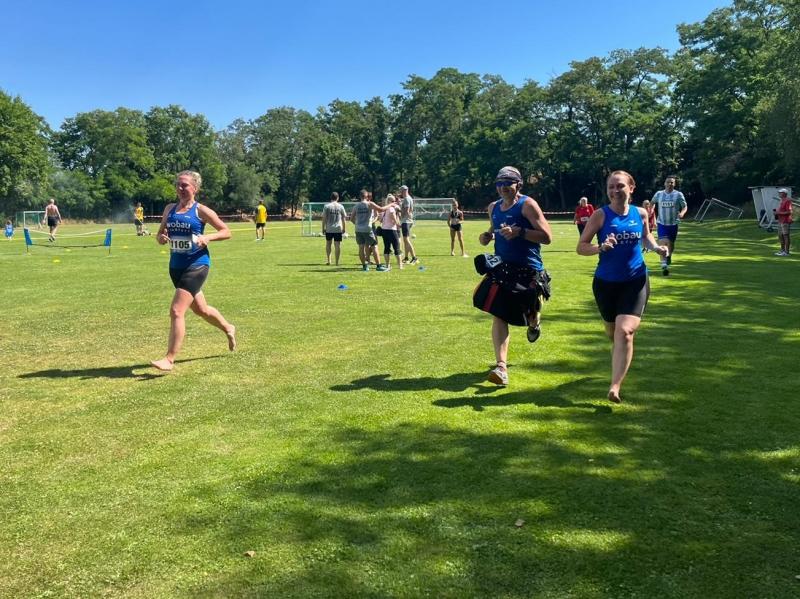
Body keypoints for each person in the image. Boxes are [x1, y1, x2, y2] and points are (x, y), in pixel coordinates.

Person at [578, 170, 670, 403]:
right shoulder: (600, 215)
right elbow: (581, 246)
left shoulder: (640, 213)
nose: (615, 191)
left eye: (619, 186)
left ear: (631, 188)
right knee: (613, 332)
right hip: (605, 283)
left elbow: (645, 236)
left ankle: (615, 387)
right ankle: (619, 350)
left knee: (625, 332)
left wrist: (656, 248)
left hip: (635, 280)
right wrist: (600, 248)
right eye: (611, 187)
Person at [151, 170, 236, 372]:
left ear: (195, 188)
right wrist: (161, 238)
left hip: (197, 264)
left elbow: (226, 231)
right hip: (176, 266)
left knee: (176, 310)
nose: (180, 188)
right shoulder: (169, 209)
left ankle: (169, 359)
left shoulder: (201, 211)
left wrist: (207, 238)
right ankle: (228, 327)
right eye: (178, 185)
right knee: (201, 310)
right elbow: (160, 234)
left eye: (185, 185)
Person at [478, 166, 553, 386]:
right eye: (499, 184)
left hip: (528, 270)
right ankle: (501, 367)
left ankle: (534, 322)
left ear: (518, 184)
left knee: (530, 314)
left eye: (508, 183)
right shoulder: (493, 207)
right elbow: (494, 228)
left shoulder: (527, 205)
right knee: (499, 314)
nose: (503, 188)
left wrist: (520, 232)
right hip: (503, 270)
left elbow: (547, 237)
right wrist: (487, 236)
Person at [651, 176, 687, 275]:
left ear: (674, 184)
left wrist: (682, 213)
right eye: (668, 182)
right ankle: (664, 265)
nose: (669, 184)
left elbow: (684, 206)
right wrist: (651, 211)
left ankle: (669, 255)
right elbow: (652, 203)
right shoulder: (659, 194)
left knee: (670, 244)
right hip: (662, 223)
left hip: (673, 224)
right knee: (663, 243)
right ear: (664, 183)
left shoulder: (678, 194)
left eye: (672, 182)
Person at [350, 189, 388, 271]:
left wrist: (357, 224)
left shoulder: (356, 206)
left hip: (358, 229)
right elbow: (381, 209)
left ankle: (365, 266)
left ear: (360, 196)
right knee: (374, 246)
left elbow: (351, 218)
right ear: (367, 196)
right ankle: (378, 266)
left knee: (361, 247)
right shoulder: (370, 204)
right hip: (367, 229)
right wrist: (391, 204)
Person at [322, 192, 347, 265]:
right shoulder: (341, 206)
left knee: (328, 244)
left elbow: (324, 218)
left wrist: (323, 228)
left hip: (329, 228)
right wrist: (344, 228)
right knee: (337, 245)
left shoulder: (327, 206)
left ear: (331, 198)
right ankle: (337, 262)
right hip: (338, 228)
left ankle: (329, 260)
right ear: (337, 198)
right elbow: (344, 218)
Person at [378, 194, 402, 271]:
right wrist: (398, 224)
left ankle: (387, 265)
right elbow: (393, 218)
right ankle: (400, 265)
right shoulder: (391, 208)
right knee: (397, 248)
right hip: (392, 230)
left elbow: (380, 219)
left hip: (384, 230)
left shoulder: (384, 209)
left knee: (386, 248)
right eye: (393, 201)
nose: (395, 202)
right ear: (389, 201)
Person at [398, 185, 418, 264]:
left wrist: (399, 210)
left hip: (406, 221)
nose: (400, 192)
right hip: (408, 221)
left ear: (403, 191)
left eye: (401, 191)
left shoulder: (406, 199)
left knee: (406, 240)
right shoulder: (409, 198)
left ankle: (414, 257)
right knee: (405, 240)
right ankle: (406, 258)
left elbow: (406, 211)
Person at [774, 188, 793, 256]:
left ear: (785, 193)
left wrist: (778, 213)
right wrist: (777, 213)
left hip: (785, 221)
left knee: (785, 236)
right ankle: (782, 251)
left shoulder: (788, 201)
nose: (779, 193)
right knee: (780, 236)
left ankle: (786, 252)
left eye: (780, 192)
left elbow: (789, 212)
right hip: (780, 221)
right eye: (779, 192)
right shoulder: (781, 200)